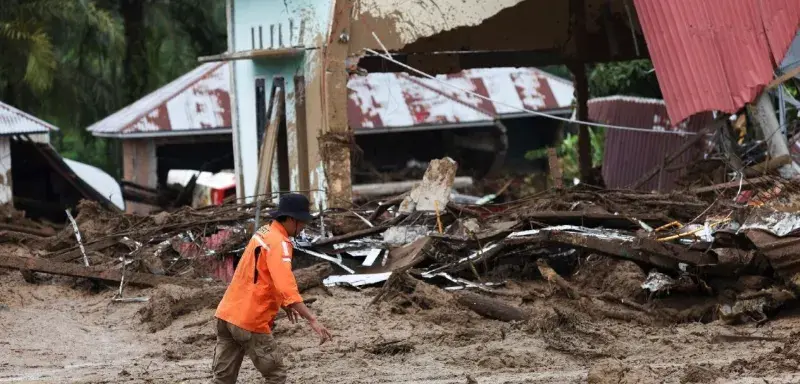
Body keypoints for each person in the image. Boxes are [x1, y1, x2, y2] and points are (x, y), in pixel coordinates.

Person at [211, 193, 332, 384]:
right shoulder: (280, 243)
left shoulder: (263, 232)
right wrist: (312, 319)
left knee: (222, 380)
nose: (303, 228)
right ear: (292, 220)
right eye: (302, 222)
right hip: (251, 319)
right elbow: (286, 284)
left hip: (226, 315)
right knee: (276, 377)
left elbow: (260, 274)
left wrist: (284, 303)